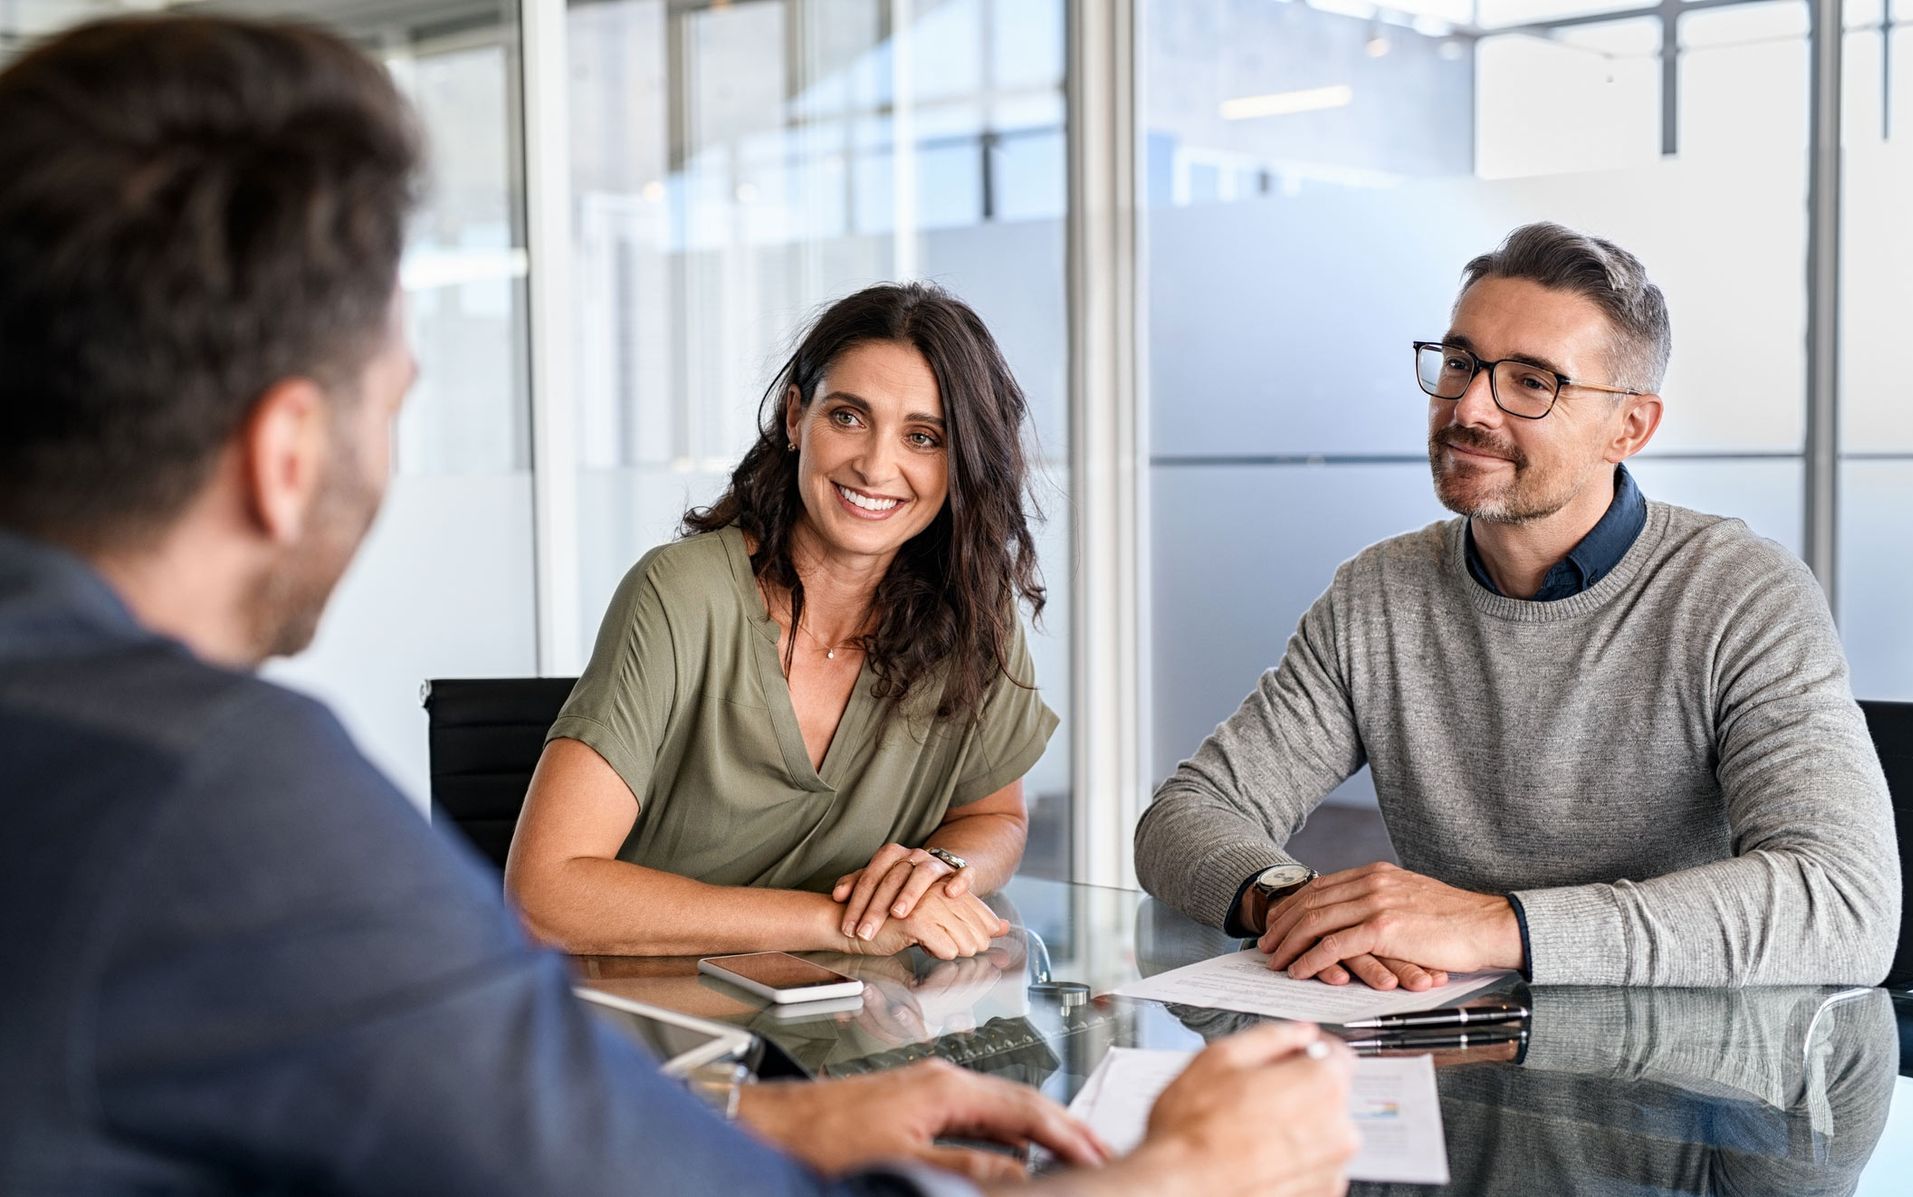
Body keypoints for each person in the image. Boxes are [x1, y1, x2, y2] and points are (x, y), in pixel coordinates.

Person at [0, 14, 1363, 1197]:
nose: (882, 464)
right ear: (286, 453)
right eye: (400, 395)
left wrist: (780, 1109)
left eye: (928, 438)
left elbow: (452, 1130)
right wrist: (1183, 1171)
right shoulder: (222, 802)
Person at [1135, 222, 1901, 990]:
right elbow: (1185, 816)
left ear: (1628, 427)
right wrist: (1294, 903)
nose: (1469, 407)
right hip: (1447, 1056)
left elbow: (1842, 904)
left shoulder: (1741, 594)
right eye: (1461, 362)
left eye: (1533, 381)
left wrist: (1493, 924)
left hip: (1688, 1081)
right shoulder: (1377, 594)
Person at [507, 284, 1057, 961]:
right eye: (849, 417)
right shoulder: (680, 595)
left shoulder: (974, 611)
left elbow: (993, 815)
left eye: (923, 437)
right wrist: (837, 925)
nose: (876, 464)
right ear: (796, 417)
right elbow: (545, 894)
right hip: (648, 1031)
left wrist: (940, 869)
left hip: (853, 1036)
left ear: (961, 460)